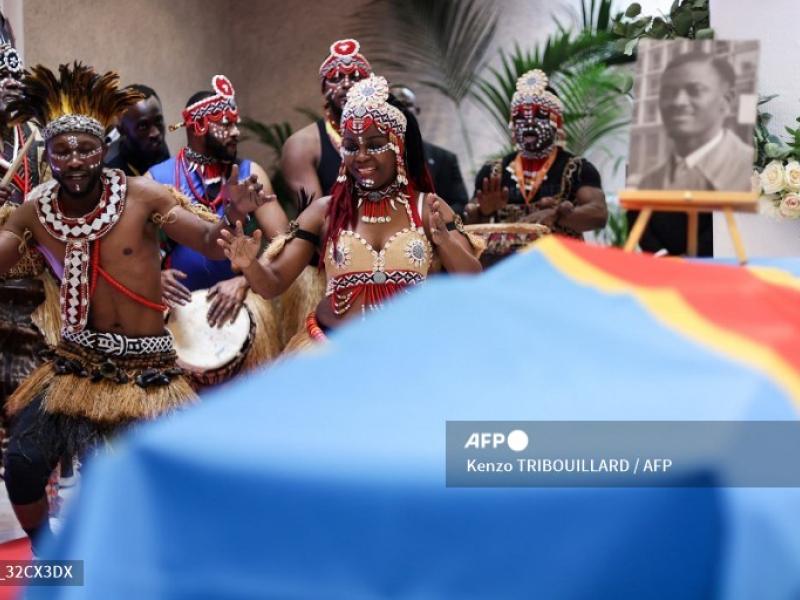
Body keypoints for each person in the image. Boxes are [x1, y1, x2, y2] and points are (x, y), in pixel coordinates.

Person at [0, 63, 267, 552]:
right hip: (77, 364)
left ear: (103, 150)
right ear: (50, 158)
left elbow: (206, 240)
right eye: (63, 151)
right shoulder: (36, 208)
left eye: (86, 149)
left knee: (152, 479)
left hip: (146, 368)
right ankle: (47, 553)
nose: (76, 160)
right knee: (23, 460)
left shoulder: (140, 194)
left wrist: (232, 214)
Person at [219, 75, 483, 350]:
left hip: (414, 355)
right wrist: (250, 264)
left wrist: (446, 242)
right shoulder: (324, 211)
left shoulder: (429, 208)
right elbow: (272, 284)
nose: (361, 156)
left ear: (399, 147)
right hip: (332, 357)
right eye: (351, 146)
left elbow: (472, 280)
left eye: (375, 144)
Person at [148, 76, 287, 346]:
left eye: (236, 124)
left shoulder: (251, 175)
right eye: (226, 124)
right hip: (178, 315)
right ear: (198, 125)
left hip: (244, 309)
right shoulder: (156, 180)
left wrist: (246, 281)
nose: (236, 132)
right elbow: (132, 250)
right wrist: (154, 277)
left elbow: (286, 243)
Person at [629, 52, 754, 257]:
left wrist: (689, 260)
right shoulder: (649, 177)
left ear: (727, 100)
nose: (678, 102)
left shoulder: (744, 168)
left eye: (694, 90)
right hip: (664, 271)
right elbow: (636, 215)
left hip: (716, 270)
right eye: (668, 92)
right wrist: (660, 254)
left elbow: (731, 225)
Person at [465, 70, 607, 249]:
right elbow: (470, 226)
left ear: (557, 122)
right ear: (512, 124)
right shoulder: (492, 172)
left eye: (540, 116)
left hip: (558, 265)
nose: (529, 124)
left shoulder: (578, 169)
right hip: (506, 267)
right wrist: (482, 212)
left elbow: (599, 214)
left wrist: (557, 214)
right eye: (520, 118)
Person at [281, 39, 372, 207]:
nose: (346, 84)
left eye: (356, 77)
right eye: (336, 78)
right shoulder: (302, 145)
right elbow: (313, 221)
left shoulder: (391, 137)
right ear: (324, 89)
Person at [388, 83, 469, 215]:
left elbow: (460, 204)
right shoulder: (375, 158)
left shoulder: (445, 159)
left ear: (417, 111)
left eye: (406, 105)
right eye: (395, 105)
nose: (400, 111)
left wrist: (433, 218)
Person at [104, 84, 169, 177]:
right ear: (121, 130)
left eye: (158, 121)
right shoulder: (110, 169)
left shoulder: (155, 145)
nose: (156, 133)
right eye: (143, 126)